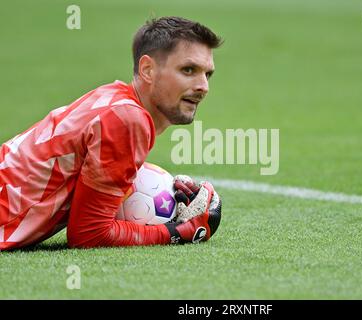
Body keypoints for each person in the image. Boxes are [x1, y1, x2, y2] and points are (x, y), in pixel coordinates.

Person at [0, 16, 223, 250]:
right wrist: (178, 232)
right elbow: (90, 235)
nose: (203, 87)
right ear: (147, 69)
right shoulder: (128, 120)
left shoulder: (115, 99)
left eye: (207, 74)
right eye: (188, 70)